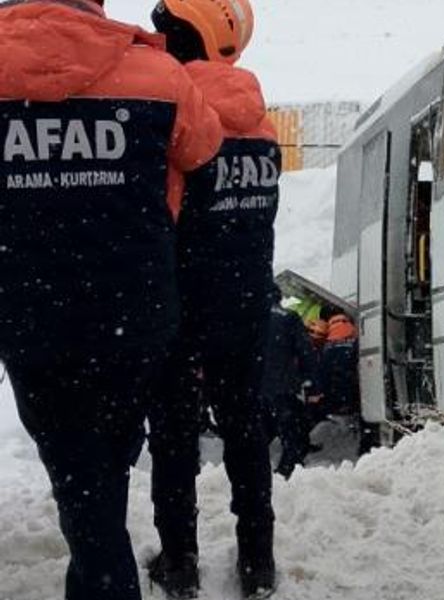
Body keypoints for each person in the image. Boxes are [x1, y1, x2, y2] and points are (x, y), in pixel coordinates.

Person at [0, 1, 223, 599]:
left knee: (80, 476)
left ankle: (104, 582)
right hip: (134, 314)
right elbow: (204, 148)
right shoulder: (158, 76)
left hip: (29, 315)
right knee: (102, 466)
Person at [145, 0, 282, 597]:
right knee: (245, 429)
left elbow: (162, 216)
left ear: (185, 37)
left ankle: (179, 563)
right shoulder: (261, 120)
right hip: (247, 303)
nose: (156, 36)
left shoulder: (178, 113)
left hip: (183, 305)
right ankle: (258, 561)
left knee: (173, 437)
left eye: (163, 28)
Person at [260, 301, 324, 480]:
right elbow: (306, 352)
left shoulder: (249, 317)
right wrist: (313, 385)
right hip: (282, 386)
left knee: (260, 432)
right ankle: (285, 475)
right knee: (292, 434)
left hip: (254, 388)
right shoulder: (288, 317)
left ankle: (251, 473)